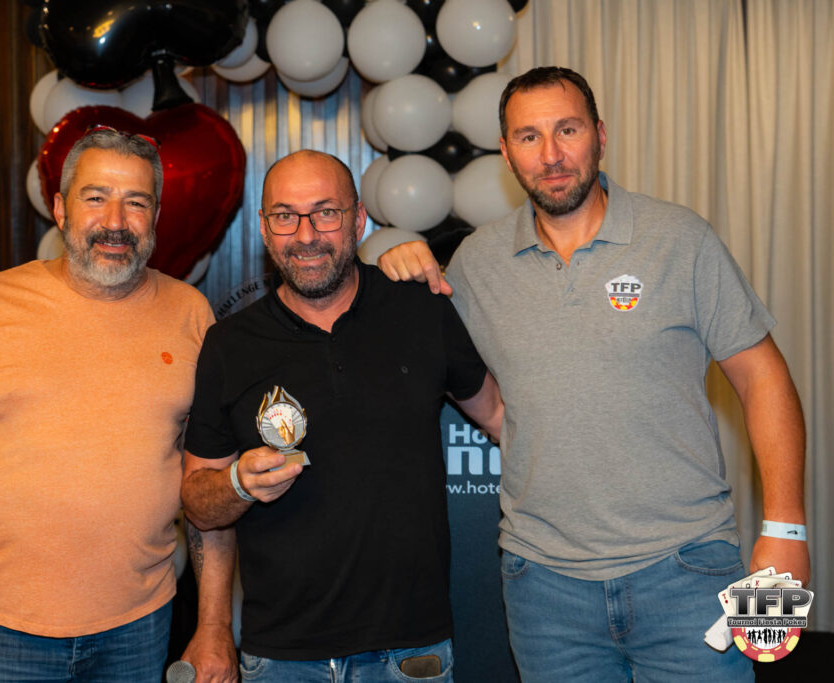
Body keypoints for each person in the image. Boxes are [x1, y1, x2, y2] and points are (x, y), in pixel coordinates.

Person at [378, 66, 809, 682]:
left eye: (568, 130)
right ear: (506, 152)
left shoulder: (679, 238)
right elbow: (465, 382)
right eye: (528, 137)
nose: (550, 155)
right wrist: (405, 262)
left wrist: (786, 529)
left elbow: (762, 376)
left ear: (600, 135)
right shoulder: (477, 262)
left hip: (689, 570)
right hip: (543, 590)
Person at [0, 129, 235, 683]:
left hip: (139, 627)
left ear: (156, 216)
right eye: (95, 197)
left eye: (136, 202)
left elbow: (206, 486)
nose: (115, 221)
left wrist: (214, 625)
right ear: (59, 207)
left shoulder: (191, 314)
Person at [180, 150, 503, 682]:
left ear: (358, 220)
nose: (306, 234)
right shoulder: (229, 345)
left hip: (410, 652)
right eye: (285, 216)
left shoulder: (420, 309)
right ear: (264, 228)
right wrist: (238, 484)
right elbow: (198, 502)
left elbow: (501, 418)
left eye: (325, 212)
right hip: (280, 658)